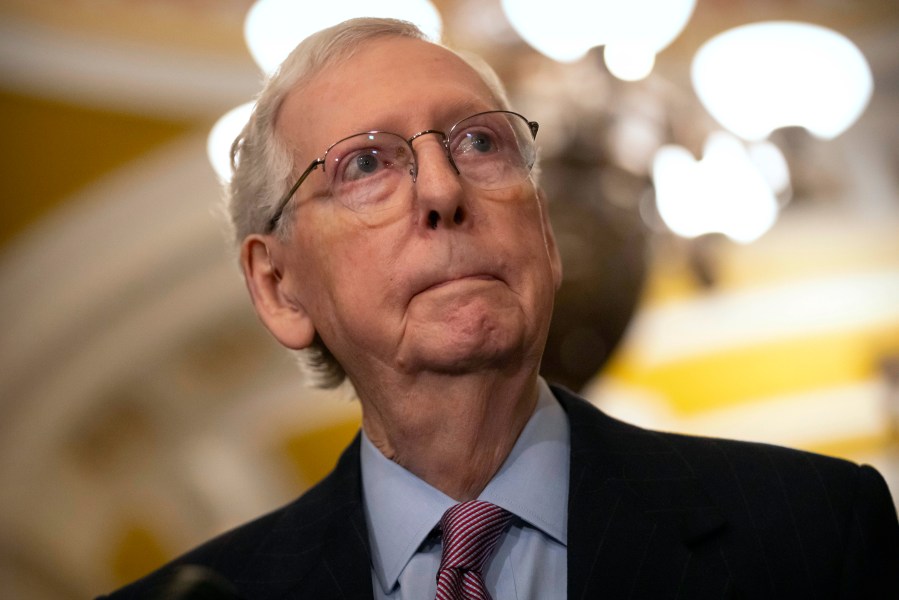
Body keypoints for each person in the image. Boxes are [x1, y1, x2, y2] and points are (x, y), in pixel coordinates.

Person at [100, 17, 899, 599]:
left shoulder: (813, 532)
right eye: (367, 163)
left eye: (480, 144)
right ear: (278, 288)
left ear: (544, 231)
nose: (444, 190)